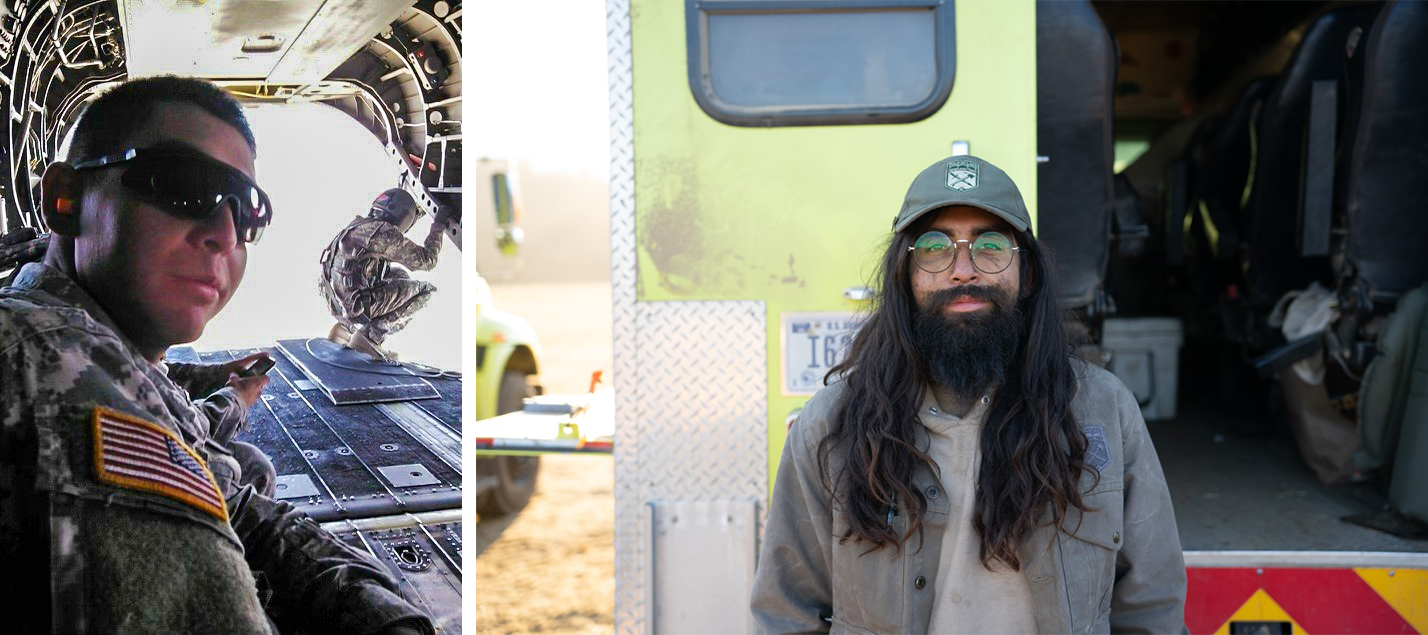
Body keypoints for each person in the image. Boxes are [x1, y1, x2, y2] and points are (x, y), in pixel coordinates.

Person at [0, 75, 431, 634]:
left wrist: (382, 615)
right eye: (183, 186)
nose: (226, 233)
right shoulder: (51, 362)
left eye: (249, 212)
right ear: (67, 199)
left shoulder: (90, 335)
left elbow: (240, 506)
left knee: (250, 468)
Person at [751, 155, 1186, 634]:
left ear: (1029, 273)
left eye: (992, 245)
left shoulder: (1103, 410)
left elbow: (1151, 606)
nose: (963, 270)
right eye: (935, 248)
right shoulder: (830, 425)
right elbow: (786, 613)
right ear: (905, 273)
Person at [320, 187, 448, 362]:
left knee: (399, 274)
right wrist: (438, 226)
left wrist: (422, 208)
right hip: (356, 307)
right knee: (425, 290)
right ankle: (370, 338)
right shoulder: (385, 234)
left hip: (336, 303)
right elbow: (427, 261)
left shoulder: (359, 225)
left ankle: (343, 330)